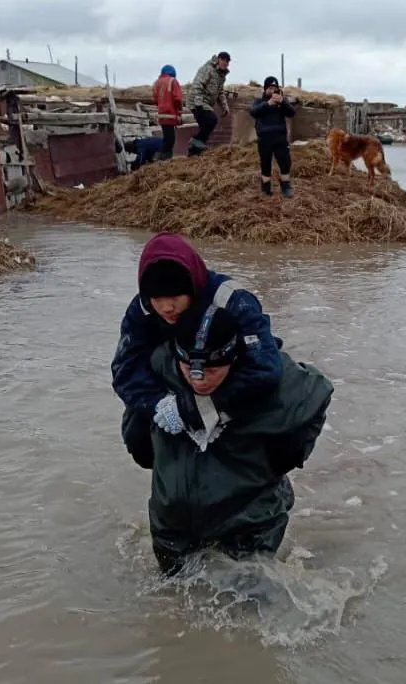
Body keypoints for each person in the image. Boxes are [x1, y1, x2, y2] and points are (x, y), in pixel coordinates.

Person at [122, 303, 334, 575]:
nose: (198, 380)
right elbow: (136, 422)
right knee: (169, 602)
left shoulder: (269, 380)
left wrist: (283, 458)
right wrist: (154, 459)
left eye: (211, 369)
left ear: (234, 357)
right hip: (172, 526)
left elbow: (317, 394)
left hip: (249, 523)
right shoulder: (156, 372)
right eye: (188, 366)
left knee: (253, 605)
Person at [112, 232, 283, 460]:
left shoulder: (232, 300)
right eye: (157, 298)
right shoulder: (142, 309)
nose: (166, 308)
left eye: (174, 296)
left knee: (267, 439)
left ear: (192, 286)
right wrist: (161, 405)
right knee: (138, 439)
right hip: (174, 384)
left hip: (229, 383)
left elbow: (265, 367)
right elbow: (125, 371)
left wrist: (196, 409)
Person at [249, 76, 295, 198]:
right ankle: (266, 187)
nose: (272, 90)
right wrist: (268, 104)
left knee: (285, 162)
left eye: (275, 88)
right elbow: (253, 112)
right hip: (264, 139)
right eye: (270, 88)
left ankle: (286, 186)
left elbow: (292, 113)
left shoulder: (281, 102)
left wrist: (283, 102)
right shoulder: (259, 101)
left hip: (280, 137)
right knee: (265, 163)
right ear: (265, 89)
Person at [185, 52, 231, 156]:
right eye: (224, 61)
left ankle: (194, 153)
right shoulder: (207, 69)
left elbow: (220, 92)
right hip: (196, 101)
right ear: (219, 59)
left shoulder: (221, 76)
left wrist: (225, 107)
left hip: (205, 103)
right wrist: (198, 104)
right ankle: (195, 140)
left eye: (227, 62)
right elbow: (198, 85)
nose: (226, 64)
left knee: (205, 127)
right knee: (212, 119)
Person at [153, 64, 184, 160]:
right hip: (171, 115)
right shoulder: (173, 81)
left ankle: (166, 159)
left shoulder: (156, 83)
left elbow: (155, 100)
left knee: (167, 138)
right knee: (170, 140)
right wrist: (179, 114)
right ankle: (159, 158)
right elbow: (178, 99)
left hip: (162, 115)